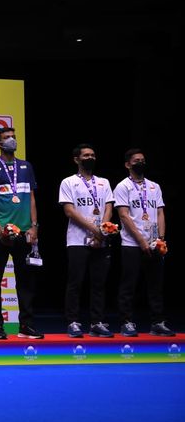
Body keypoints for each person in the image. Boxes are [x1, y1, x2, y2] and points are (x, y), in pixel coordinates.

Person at [0, 127, 43, 339]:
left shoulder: (26, 166)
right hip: (2, 233)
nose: (12, 140)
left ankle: (26, 325)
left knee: (26, 280)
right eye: (7, 138)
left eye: (13, 137)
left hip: (25, 232)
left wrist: (34, 226)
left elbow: (31, 197)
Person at [114, 148, 175, 336]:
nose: (140, 162)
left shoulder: (154, 186)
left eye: (143, 160)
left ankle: (158, 322)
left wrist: (160, 239)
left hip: (154, 242)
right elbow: (124, 215)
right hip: (132, 244)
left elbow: (160, 212)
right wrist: (141, 240)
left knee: (155, 285)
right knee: (129, 284)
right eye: (136, 160)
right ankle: (126, 322)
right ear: (127, 164)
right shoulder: (122, 186)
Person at [58, 144, 115, 338]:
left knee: (99, 283)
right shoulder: (68, 182)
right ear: (76, 159)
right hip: (77, 240)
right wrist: (94, 230)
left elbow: (108, 207)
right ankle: (73, 322)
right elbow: (69, 211)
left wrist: (103, 230)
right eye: (86, 155)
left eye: (93, 154)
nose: (90, 157)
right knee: (75, 282)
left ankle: (97, 322)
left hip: (101, 240)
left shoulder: (104, 182)